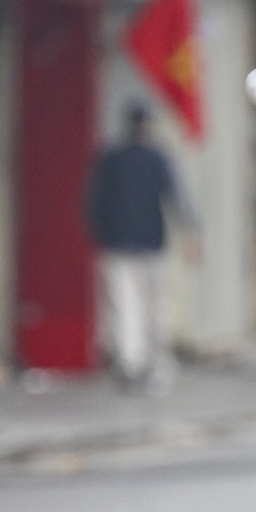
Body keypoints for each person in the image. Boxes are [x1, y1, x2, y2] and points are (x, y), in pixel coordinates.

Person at [85, 102, 192, 393]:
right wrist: (190, 230)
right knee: (156, 307)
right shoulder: (157, 158)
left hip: (118, 244)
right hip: (151, 243)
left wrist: (100, 235)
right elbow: (178, 196)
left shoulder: (111, 158)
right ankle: (156, 364)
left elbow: (94, 201)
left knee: (125, 306)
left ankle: (131, 363)